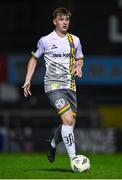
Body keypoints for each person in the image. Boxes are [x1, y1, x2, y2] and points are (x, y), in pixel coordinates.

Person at [22, 7, 84, 165]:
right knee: (68, 120)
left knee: (68, 123)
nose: (64, 22)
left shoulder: (74, 40)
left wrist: (79, 66)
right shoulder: (46, 40)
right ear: (54, 21)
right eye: (61, 19)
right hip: (53, 85)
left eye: (67, 19)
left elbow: (80, 58)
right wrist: (28, 79)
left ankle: (52, 145)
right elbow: (34, 59)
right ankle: (74, 160)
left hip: (70, 86)